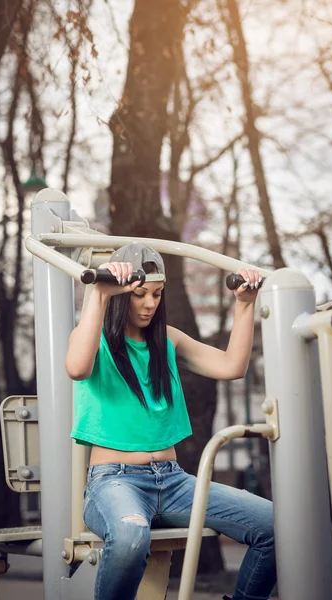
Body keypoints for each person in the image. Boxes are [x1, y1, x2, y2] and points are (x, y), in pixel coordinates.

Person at [65, 242, 276, 600]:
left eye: (157, 295)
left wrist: (244, 305)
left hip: (174, 482)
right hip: (115, 482)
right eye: (140, 294)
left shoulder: (167, 339)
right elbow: (76, 367)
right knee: (131, 538)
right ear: (120, 294)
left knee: (273, 525)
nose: (150, 303)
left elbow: (231, 367)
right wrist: (98, 294)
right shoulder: (93, 338)